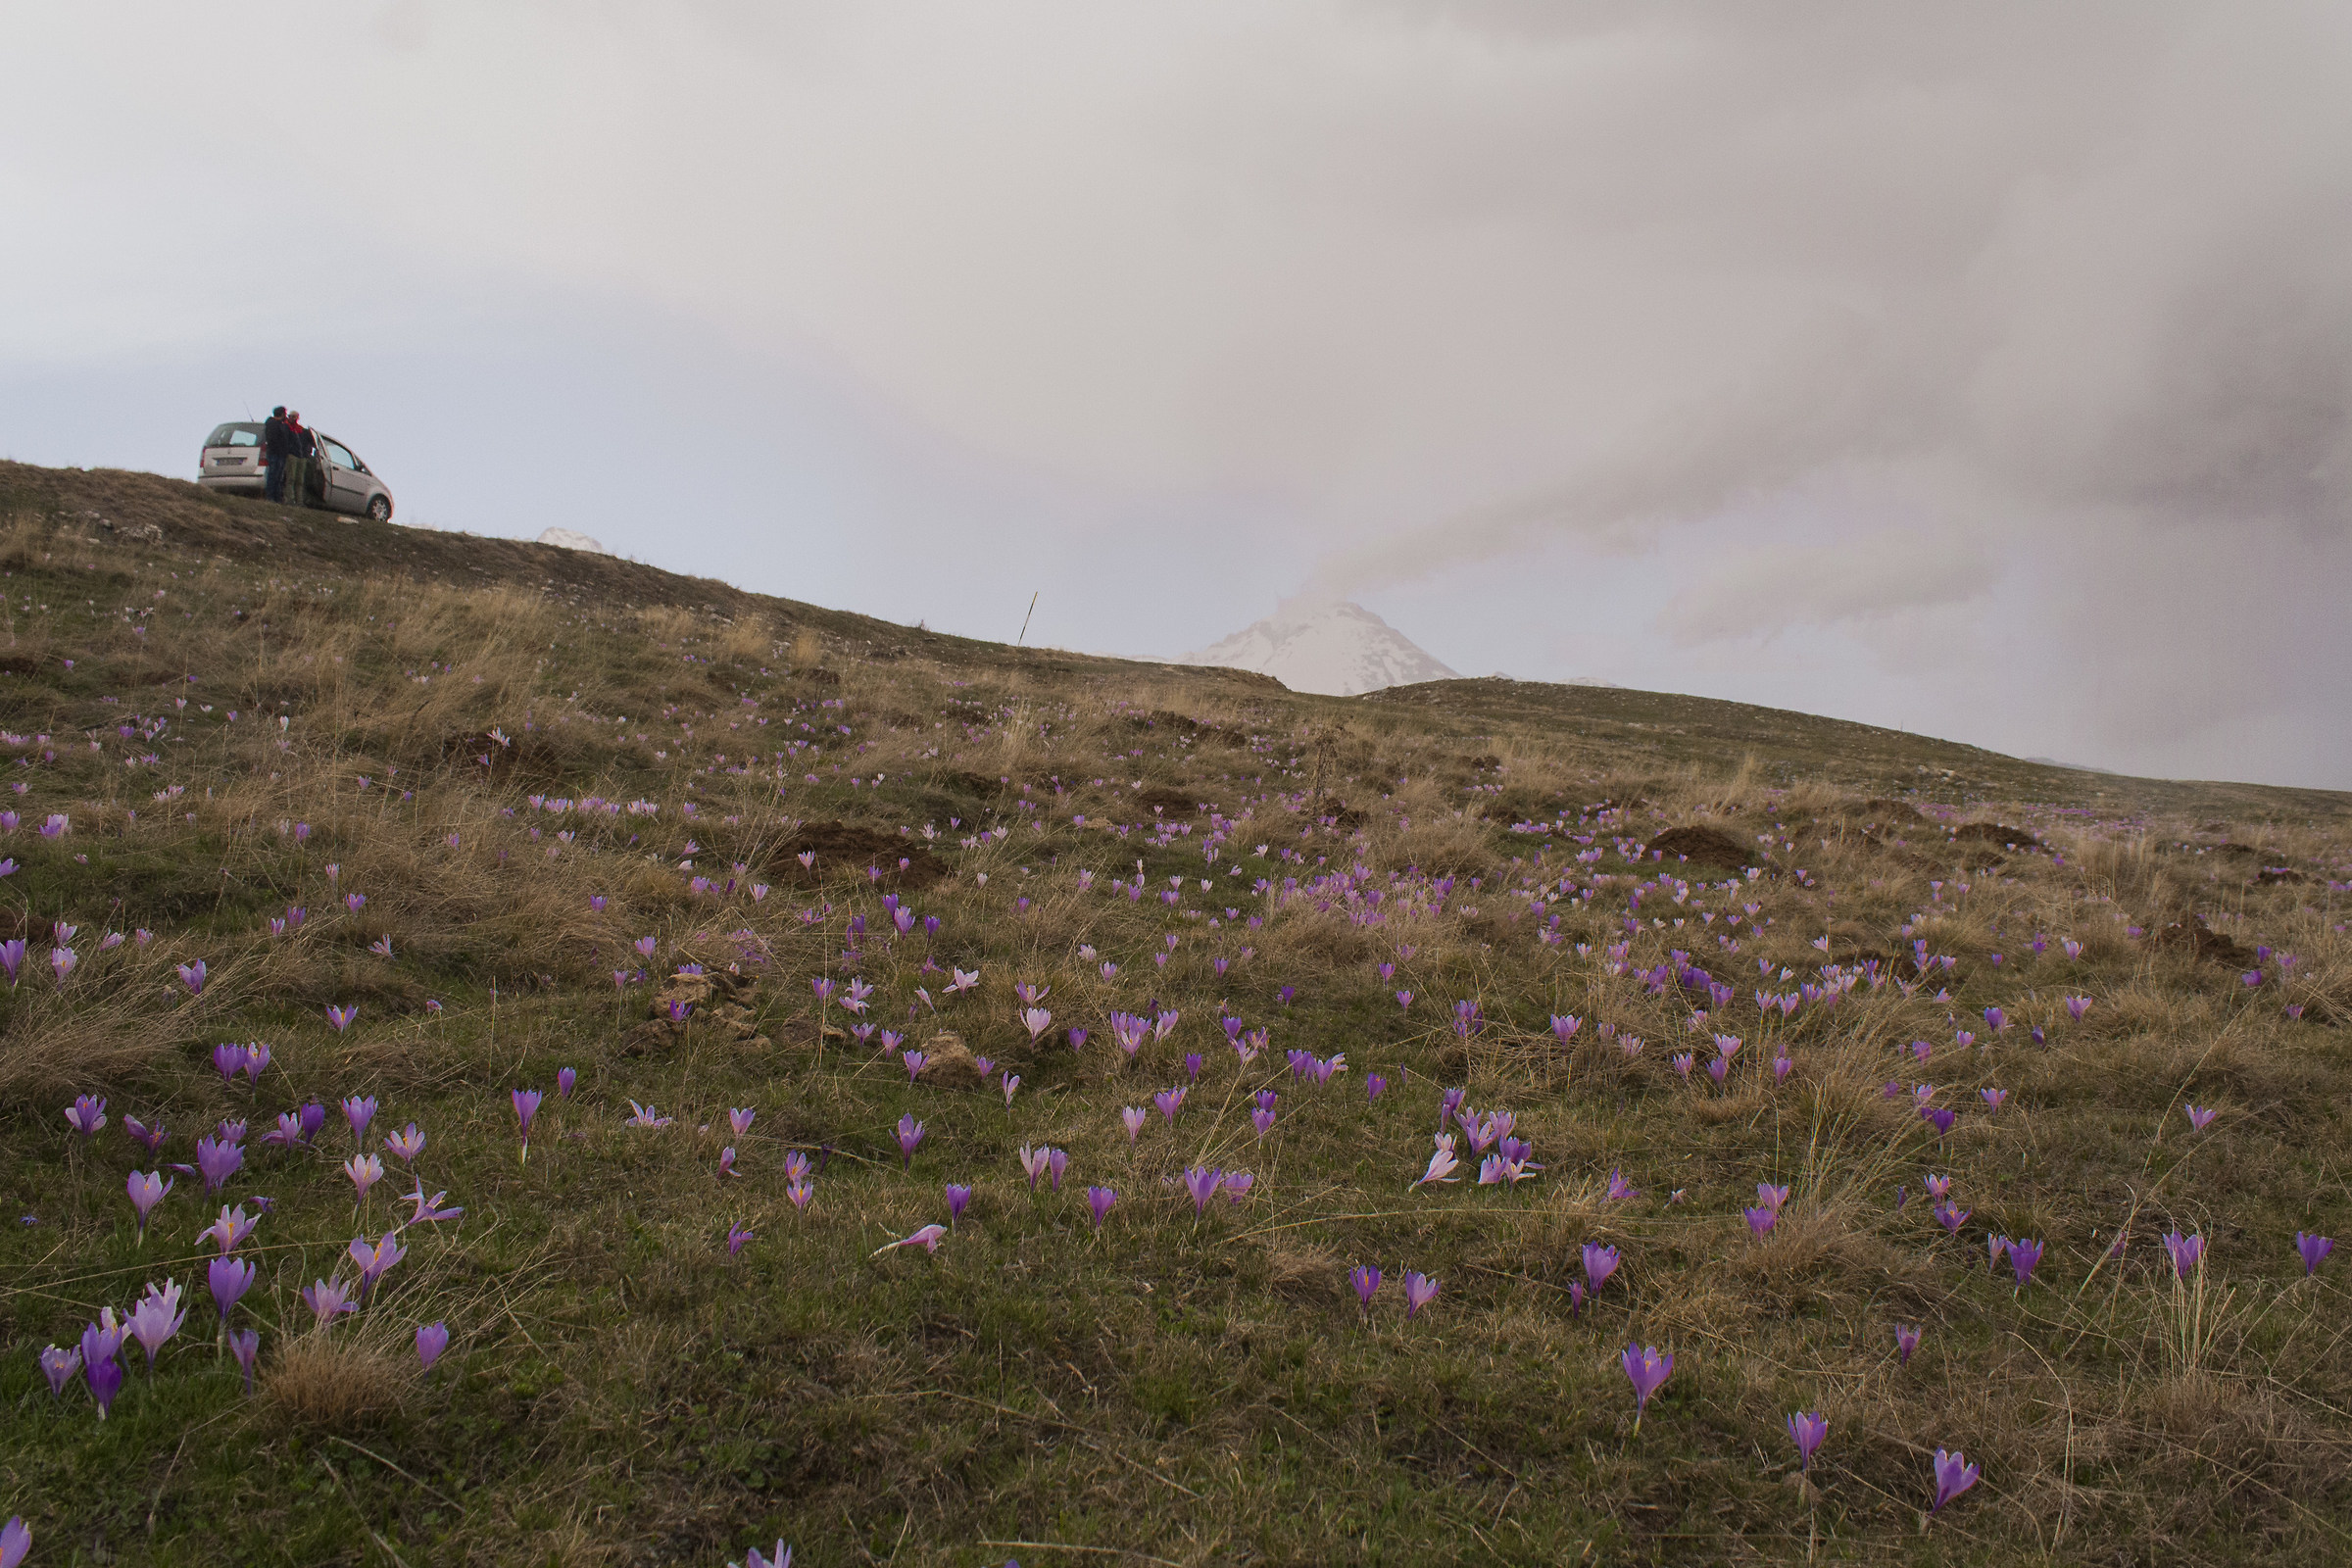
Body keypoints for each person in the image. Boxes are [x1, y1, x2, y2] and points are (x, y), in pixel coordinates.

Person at [283, 410, 318, 509]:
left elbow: (313, 443)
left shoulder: (303, 431)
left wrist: (307, 452)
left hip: (302, 457)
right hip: (292, 455)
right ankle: (289, 499)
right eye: (291, 416)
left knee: (300, 480)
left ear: (297, 417)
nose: (292, 418)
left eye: (294, 416)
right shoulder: (287, 428)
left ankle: (299, 501)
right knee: (291, 478)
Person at [262, 406, 289, 502]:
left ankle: (277, 497)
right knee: (273, 475)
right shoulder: (273, 424)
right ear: (282, 414)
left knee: (278, 476)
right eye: (285, 413)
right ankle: (271, 496)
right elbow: (273, 439)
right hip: (275, 453)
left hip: (279, 453)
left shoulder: (279, 424)